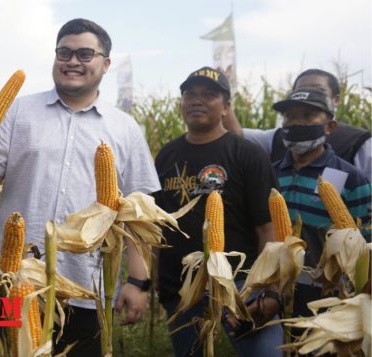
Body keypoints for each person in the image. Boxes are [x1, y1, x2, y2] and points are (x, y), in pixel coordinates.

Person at [0, 18, 159, 356]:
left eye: (85, 54)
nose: (72, 61)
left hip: (88, 286)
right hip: (16, 278)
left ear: (105, 63)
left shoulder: (124, 128)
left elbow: (139, 216)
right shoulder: (19, 110)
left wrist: (138, 281)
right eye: (64, 52)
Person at [154, 66, 283, 357]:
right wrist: (154, 283)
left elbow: (268, 227)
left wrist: (265, 290)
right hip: (182, 288)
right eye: (190, 94)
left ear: (226, 107)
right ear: (181, 103)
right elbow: (157, 225)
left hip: (241, 286)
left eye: (209, 95)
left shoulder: (246, 153)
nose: (197, 101)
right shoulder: (166, 155)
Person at [270, 87, 371, 317]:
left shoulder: (351, 178)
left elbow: (366, 240)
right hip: (277, 290)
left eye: (307, 116)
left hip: (329, 297)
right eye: (289, 116)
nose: (296, 123)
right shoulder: (271, 173)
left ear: (330, 127)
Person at [225, 69, 371, 182]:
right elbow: (236, 136)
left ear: (336, 100)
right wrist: (223, 95)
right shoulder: (276, 138)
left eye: (318, 90)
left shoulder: (360, 142)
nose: (298, 123)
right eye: (289, 115)